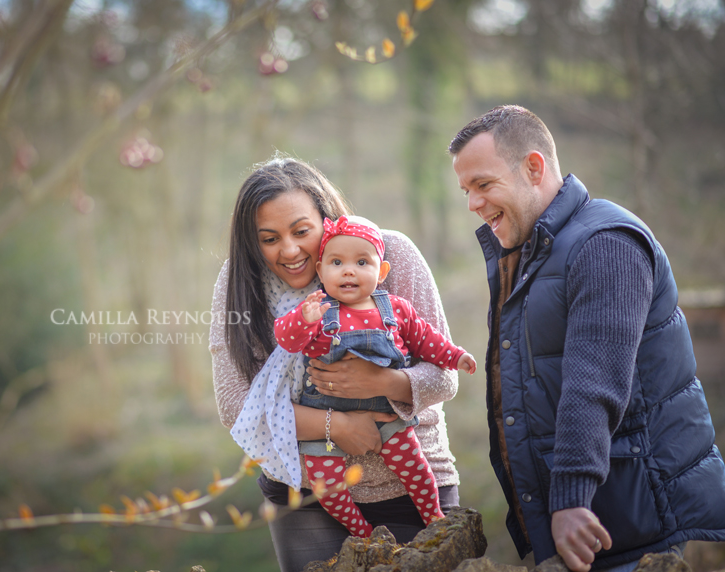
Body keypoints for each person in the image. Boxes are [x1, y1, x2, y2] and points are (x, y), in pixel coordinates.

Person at [448, 105, 725, 572]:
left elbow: (594, 382)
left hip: (628, 526)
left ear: (533, 168)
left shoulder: (605, 243)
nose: (473, 203)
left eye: (483, 184)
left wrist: (572, 497)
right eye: (466, 191)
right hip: (587, 526)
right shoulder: (532, 254)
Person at [209, 155, 462, 572]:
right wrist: (338, 426)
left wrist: (380, 382)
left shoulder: (390, 253)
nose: (289, 250)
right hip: (306, 493)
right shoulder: (239, 282)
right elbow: (235, 405)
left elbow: (444, 377)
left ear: (326, 221)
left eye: (301, 231)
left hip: (412, 486)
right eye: (269, 238)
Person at [273, 214, 476, 537]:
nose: (348, 270)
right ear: (321, 270)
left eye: (362, 262)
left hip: (385, 411)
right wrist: (303, 320)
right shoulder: (318, 311)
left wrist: (455, 356)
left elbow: (427, 340)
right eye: (337, 262)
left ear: (381, 272)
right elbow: (287, 339)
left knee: (414, 466)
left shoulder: (395, 309)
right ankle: (363, 533)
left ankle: (433, 514)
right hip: (326, 415)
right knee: (325, 484)